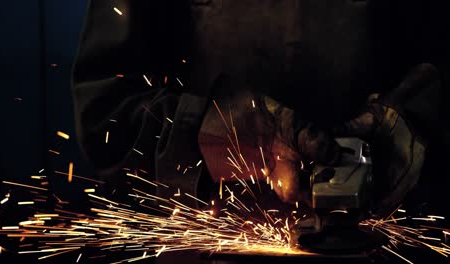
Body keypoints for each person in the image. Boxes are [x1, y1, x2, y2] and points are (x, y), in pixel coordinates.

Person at [71, 0, 446, 218]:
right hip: (210, 239)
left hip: (384, 239)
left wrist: (415, 119)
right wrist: (200, 128)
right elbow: (107, 112)